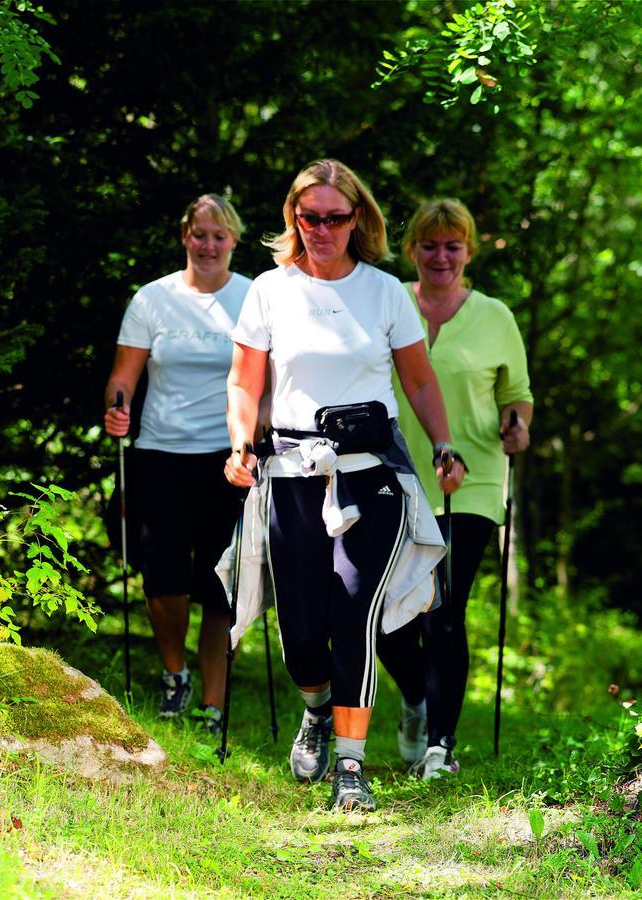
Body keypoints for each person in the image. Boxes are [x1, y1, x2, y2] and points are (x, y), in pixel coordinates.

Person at [223, 159, 465, 813]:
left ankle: (351, 769)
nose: (322, 228)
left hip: (370, 478)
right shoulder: (270, 291)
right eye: (310, 217)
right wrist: (241, 440)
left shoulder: (385, 291)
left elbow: (417, 381)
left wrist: (443, 443)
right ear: (292, 218)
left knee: (353, 618)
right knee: (301, 631)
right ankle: (317, 709)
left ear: (358, 219)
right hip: (292, 477)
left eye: (335, 217)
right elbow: (245, 381)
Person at [378, 198, 533, 779]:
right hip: (392, 473)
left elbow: (517, 395)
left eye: (453, 246)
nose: (440, 256)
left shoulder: (494, 316)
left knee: (443, 606)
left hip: (470, 479)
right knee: (384, 611)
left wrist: (516, 428)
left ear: (469, 250)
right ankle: (416, 697)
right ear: (412, 248)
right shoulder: (389, 300)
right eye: (429, 245)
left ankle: (441, 744)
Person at [102, 194, 251, 735]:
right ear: (185, 236)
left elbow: (267, 374)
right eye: (198, 234)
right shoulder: (153, 298)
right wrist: (117, 408)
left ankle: (213, 704)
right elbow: (124, 375)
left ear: (233, 239)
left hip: (227, 456)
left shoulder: (253, 297)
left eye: (218, 236)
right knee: (162, 580)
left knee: (221, 583)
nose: (208, 245)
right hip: (160, 453)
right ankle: (175, 675)